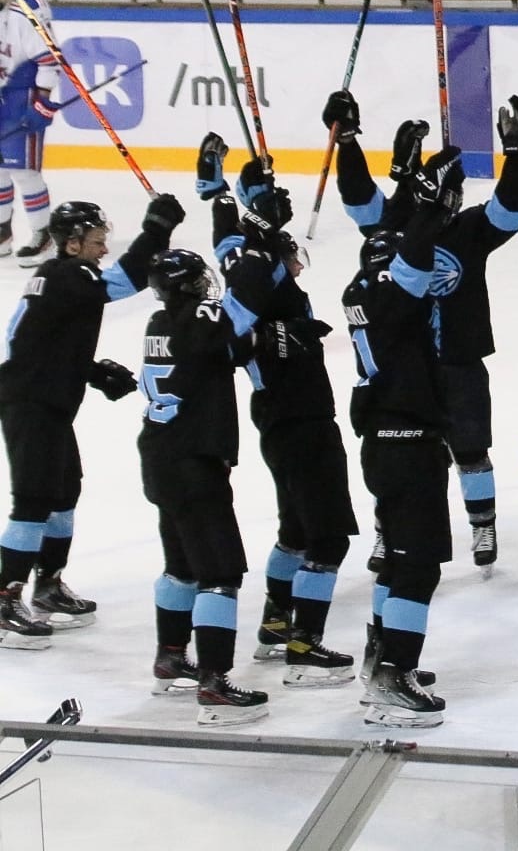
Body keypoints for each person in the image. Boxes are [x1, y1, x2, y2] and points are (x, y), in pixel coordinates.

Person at [324, 91, 518, 572]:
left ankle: (483, 521)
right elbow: (359, 199)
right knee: (400, 455)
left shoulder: (467, 230)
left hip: (457, 359)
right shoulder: (397, 225)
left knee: (470, 447)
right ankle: (386, 529)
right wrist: (348, 142)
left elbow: (513, 207)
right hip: (406, 371)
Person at [196, 137, 359, 686]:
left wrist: (235, 190)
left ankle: (273, 625)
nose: (296, 262)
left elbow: (228, 244)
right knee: (328, 536)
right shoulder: (263, 277)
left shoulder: (252, 267)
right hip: (300, 418)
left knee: (295, 528)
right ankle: (303, 644)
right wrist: (280, 334)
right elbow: (238, 334)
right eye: (291, 254)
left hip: (280, 418)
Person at [1, 192, 181, 647]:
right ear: (74, 243)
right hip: (30, 402)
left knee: (65, 491)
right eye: (98, 240)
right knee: (35, 498)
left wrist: (92, 371)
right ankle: (4, 599)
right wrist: (156, 230)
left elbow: (46, 341)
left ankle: (48, 583)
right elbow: (122, 283)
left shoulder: (60, 278)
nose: (104, 249)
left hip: (45, 398)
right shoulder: (67, 274)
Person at [342, 150, 463, 727]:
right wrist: (431, 207)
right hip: (407, 445)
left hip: (384, 444)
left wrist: (417, 202)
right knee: (418, 566)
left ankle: (382, 656)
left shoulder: (361, 291)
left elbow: (407, 259)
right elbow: (414, 261)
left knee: (396, 561)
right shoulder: (392, 293)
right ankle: (394, 676)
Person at [136, 248, 272, 725]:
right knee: (219, 572)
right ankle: (214, 681)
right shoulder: (200, 316)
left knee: (181, 565)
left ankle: (171, 656)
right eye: (198, 280)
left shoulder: (159, 322)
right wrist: (255, 253)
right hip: (194, 463)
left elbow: (228, 348)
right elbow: (247, 304)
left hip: (160, 458)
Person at [0, 0, 60, 262]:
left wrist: (42, 101)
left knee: (23, 171)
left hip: (20, 98)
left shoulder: (27, 12)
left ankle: (43, 235)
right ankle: (2, 231)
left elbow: (49, 61)